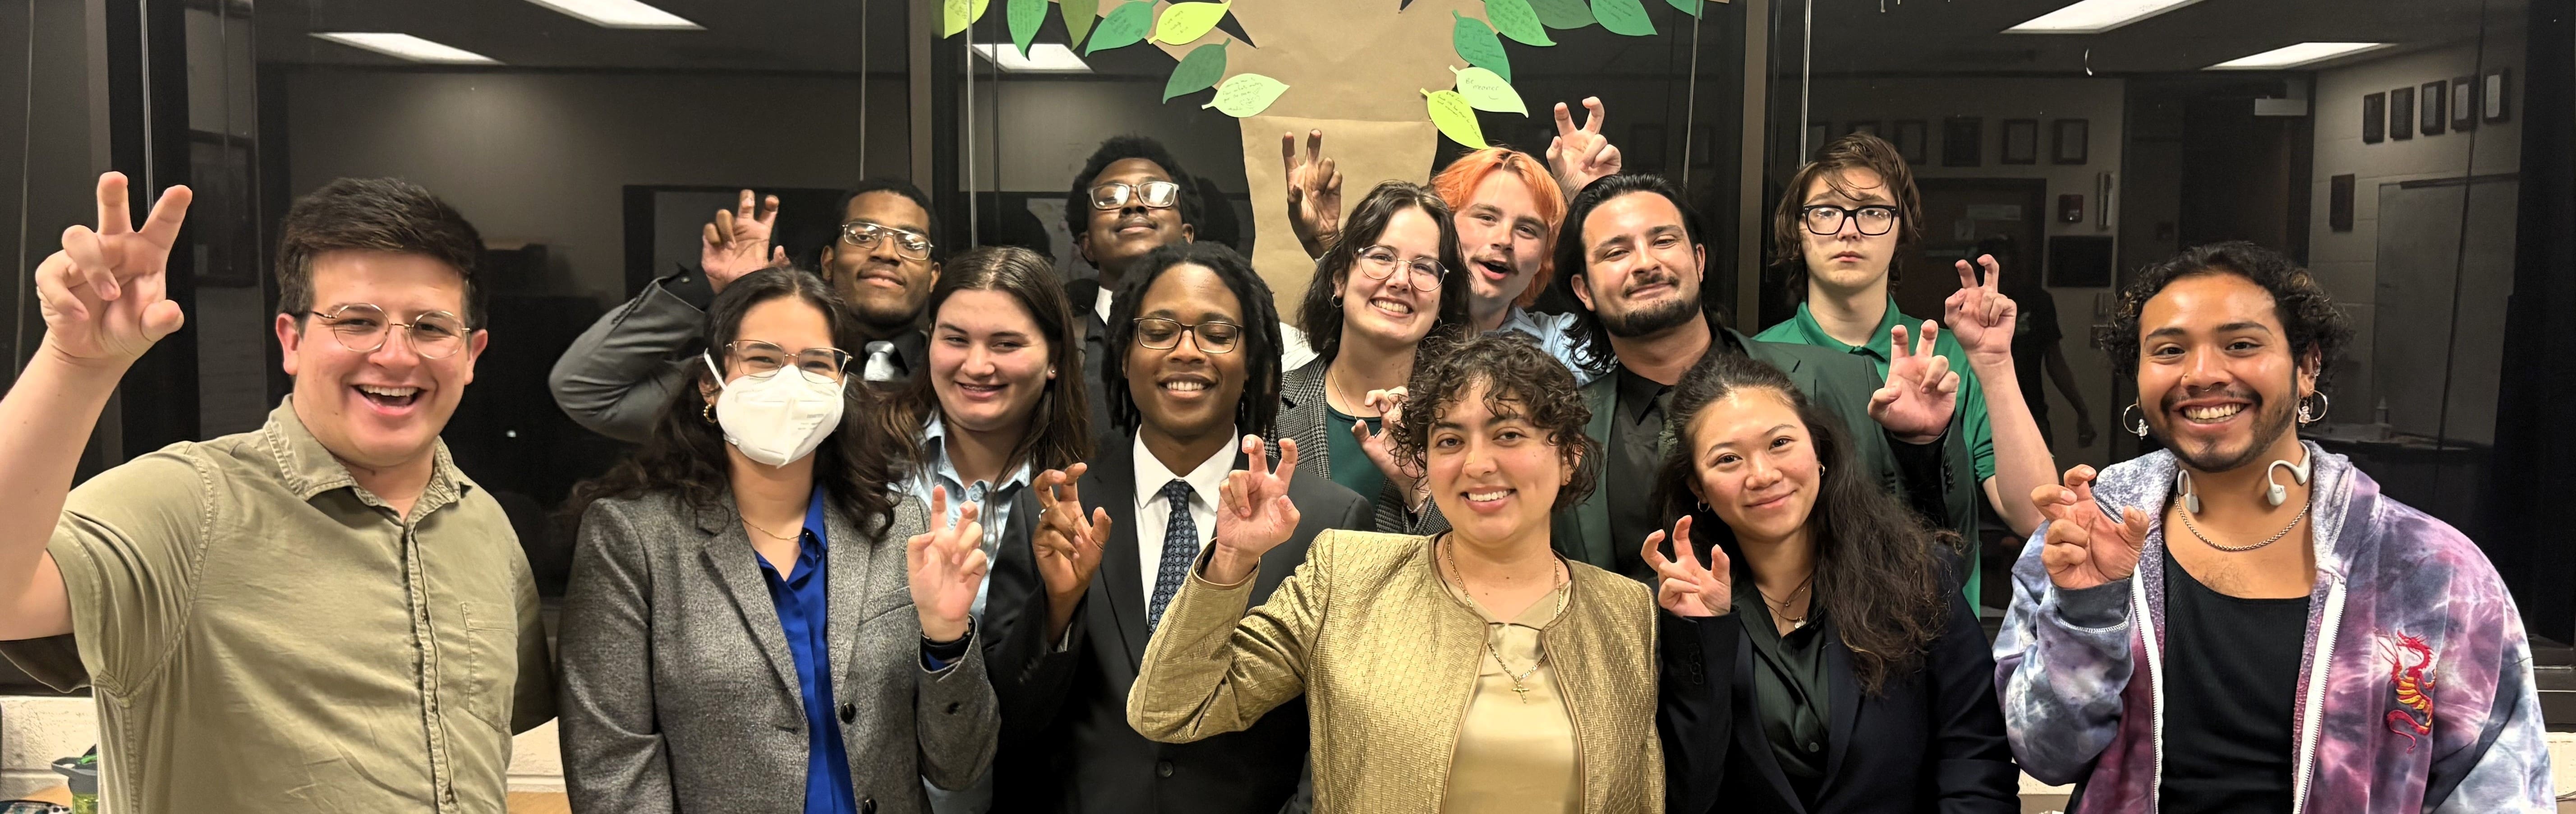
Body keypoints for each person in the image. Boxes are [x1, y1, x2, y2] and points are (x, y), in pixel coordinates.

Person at [0, 174, 553, 812]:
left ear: (471, 353)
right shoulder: (190, 502)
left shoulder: (485, 524)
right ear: (292, 340)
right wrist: (76, 365)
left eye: (429, 328)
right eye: (357, 321)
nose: (396, 355)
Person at [1994, 242, 2553, 812]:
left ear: (2307, 365)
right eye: (2168, 350)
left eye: (2241, 345)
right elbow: (2045, 752)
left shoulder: (2431, 573)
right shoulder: (2087, 534)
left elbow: (2497, 792)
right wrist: (2087, 615)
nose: (2203, 374)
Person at [1127, 332, 1663, 813]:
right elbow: (1172, 708)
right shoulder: (1348, 576)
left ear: (1568, 455)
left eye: (1508, 435)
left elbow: (1641, 793)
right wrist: (1230, 562)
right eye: (1450, 440)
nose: (1477, 463)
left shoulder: (1625, 609)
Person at [557, 268, 999, 814]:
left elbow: (961, 766)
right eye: (763, 359)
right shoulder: (632, 539)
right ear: (710, 382)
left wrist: (947, 637)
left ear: (841, 386)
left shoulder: (897, 529)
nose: (791, 383)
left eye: (815, 363)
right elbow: (611, 768)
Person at [985, 242, 1375, 813]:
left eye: (1217, 334)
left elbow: (1344, 733)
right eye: (1160, 330)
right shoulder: (1054, 510)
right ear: (1122, 354)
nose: (1186, 352)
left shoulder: (1326, 521)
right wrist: (1058, 609)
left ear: (1254, 361)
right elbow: (1008, 724)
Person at [1644, 351, 2019, 814]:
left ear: (1818, 450)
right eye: (1728, 459)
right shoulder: (1673, 609)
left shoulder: (1917, 574)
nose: (1762, 475)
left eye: (1780, 443)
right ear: (1698, 487)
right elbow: (1688, 796)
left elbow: (1976, 761)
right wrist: (1702, 637)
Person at [1550, 173, 1968, 583]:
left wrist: (1920, 448)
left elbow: (1934, 551)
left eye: (1663, 241)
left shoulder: (1840, 380)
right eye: (1616, 253)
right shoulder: (1564, 431)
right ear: (1584, 289)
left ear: (1698, 261)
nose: (1645, 263)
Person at [1751, 134, 2061, 611]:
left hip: (1940, 642)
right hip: (1802, 639)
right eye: (1826, 211)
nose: (1848, 230)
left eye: (1873, 212)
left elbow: (2034, 514)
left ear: (1901, 231)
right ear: (1799, 230)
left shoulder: (1952, 356)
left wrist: (1995, 366)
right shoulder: (1759, 362)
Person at [873, 246, 1095, 813]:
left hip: (1025, 787)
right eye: (955, 339)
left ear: (1053, 358)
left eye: (1006, 344)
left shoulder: (1082, 488)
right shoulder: (866, 460)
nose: (976, 366)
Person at [553, 180, 945, 442]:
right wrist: (715, 289)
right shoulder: (754, 373)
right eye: (863, 235)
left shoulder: (962, 378)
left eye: (912, 243)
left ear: (933, 277)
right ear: (827, 262)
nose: (886, 252)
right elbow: (587, 391)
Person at [1276, 97, 1624, 379]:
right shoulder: (1400, 320)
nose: (1504, 239)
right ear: (1442, 227)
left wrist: (1594, 200)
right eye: (1486, 217)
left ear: (1544, 258)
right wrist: (1327, 244)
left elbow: (1647, 333)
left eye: (1527, 230)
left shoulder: (1560, 346)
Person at [1278, 180, 1471, 528]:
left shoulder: (1465, 423)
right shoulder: (1266, 405)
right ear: (1339, 280)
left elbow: (1487, 562)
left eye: (1425, 267)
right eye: (1382, 257)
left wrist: (1420, 488)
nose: (1401, 280)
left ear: (1442, 301)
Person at [1978, 236, 2097, 449]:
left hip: (2031, 413)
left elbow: (2055, 361)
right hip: (1980, 416)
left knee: (2042, 481)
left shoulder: (2037, 301)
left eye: (2007, 269)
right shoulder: (1971, 306)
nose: (2003, 276)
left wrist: (2081, 410)